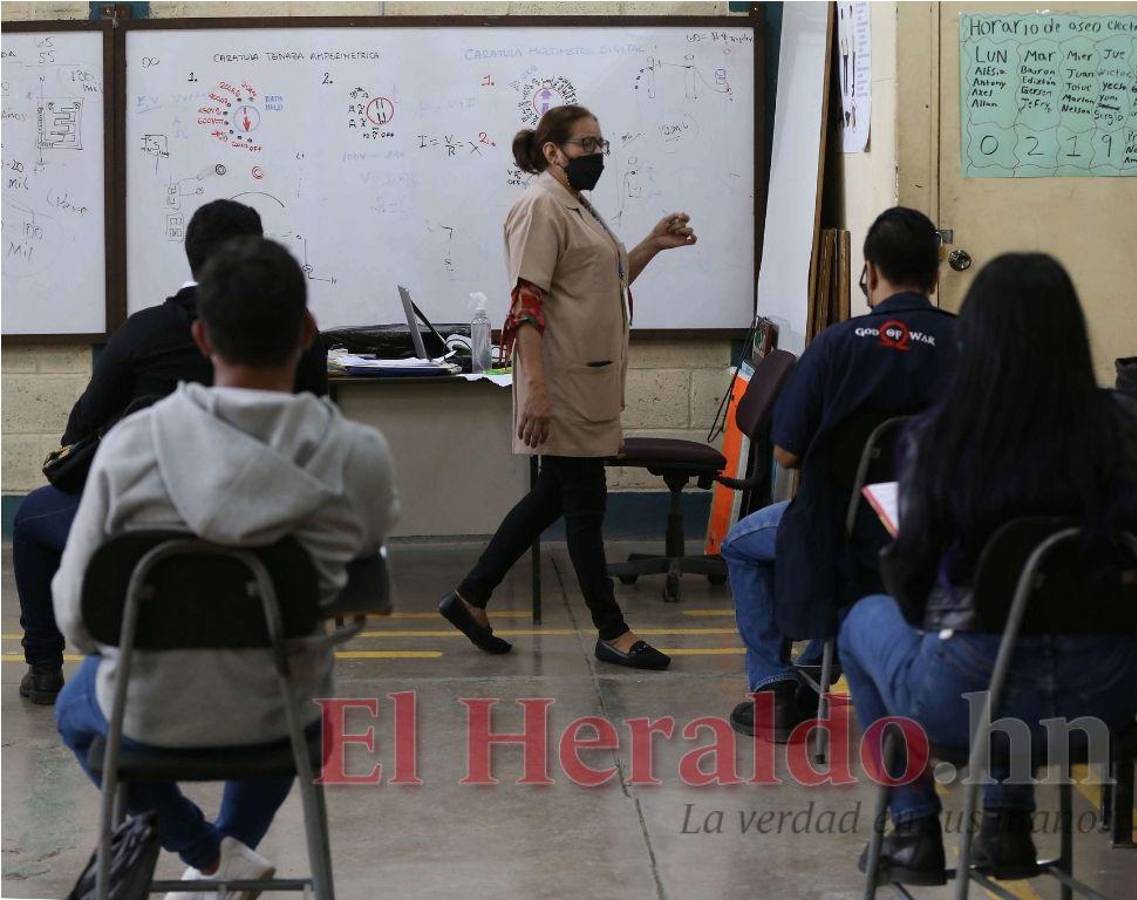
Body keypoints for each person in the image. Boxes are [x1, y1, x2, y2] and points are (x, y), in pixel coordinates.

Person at [52, 236, 398, 898]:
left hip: (144, 711)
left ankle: (206, 856)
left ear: (203, 338)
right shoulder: (357, 454)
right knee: (301, 705)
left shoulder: (130, 446)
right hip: (277, 709)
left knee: (77, 707)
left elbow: (74, 618)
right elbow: (365, 553)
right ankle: (220, 859)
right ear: (307, 332)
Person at [838, 253, 1137, 884]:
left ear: (974, 335)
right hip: (1108, 698)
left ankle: (914, 829)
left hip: (970, 702)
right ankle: (1005, 826)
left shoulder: (940, 435)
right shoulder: (1123, 426)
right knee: (1030, 620)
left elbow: (915, 595)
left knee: (863, 621)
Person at [15, 199, 328, 705]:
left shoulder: (144, 331)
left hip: (148, 528)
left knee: (30, 519)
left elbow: (82, 425)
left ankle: (46, 668)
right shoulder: (299, 335)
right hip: (261, 528)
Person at [437, 103, 696, 670]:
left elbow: (601, 278)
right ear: (553, 152)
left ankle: (470, 597)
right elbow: (525, 306)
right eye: (586, 145)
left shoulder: (575, 203)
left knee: (548, 500)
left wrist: (650, 244)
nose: (596, 155)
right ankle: (613, 630)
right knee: (585, 506)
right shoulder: (540, 207)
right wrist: (534, 391)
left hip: (587, 379)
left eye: (601, 145)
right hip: (564, 384)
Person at [722, 208, 957, 741]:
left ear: (869, 273)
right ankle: (816, 673)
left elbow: (784, 454)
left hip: (836, 529)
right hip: (934, 536)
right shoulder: (968, 345)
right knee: (866, 567)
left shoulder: (835, 345)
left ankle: (778, 688)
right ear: (936, 275)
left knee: (740, 545)